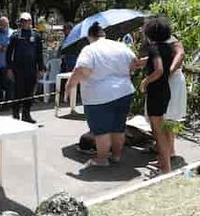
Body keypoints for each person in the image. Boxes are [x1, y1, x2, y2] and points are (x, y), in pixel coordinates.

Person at [64, 21, 136, 167]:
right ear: (103, 34)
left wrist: (69, 86)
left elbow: (82, 70)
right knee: (118, 126)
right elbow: (134, 62)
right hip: (124, 91)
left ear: (90, 36)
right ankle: (116, 156)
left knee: (101, 129)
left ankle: (102, 159)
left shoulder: (89, 50)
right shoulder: (120, 46)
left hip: (99, 96)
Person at [140, 17, 177, 173]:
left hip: (156, 92)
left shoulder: (154, 48)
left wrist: (145, 81)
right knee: (162, 127)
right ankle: (163, 162)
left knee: (158, 131)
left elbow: (159, 69)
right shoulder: (168, 48)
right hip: (165, 90)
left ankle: (166, 168)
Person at [6, 12, 45, 123]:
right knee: (18, 92)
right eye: (23, 21)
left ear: (30, 22)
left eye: (27, 21)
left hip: (31, 68)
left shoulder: (36, 35)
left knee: (29, 93)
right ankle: (15, 114)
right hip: (18, 69)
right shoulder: (15, 35)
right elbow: (9, 53)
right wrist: (9, 68)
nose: (25, 23)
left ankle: (26, 114)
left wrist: (41, 68)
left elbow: (39, 53)